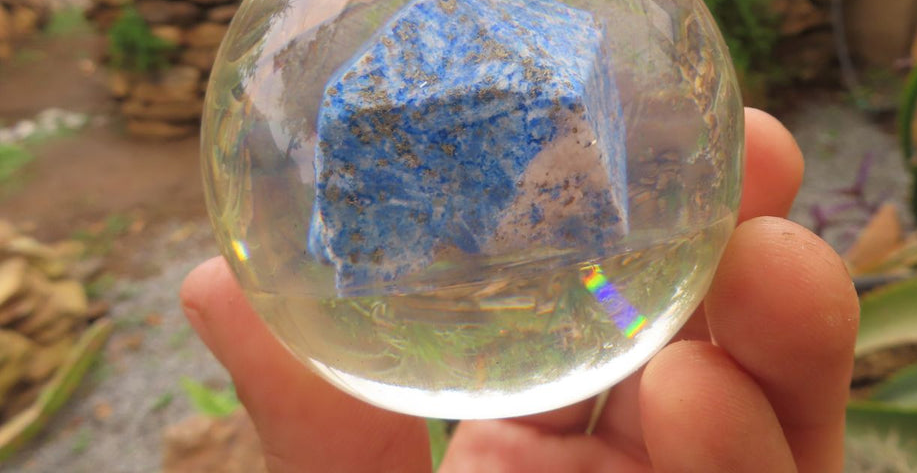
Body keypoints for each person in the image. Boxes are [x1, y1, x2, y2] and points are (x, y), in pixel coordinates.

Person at [181, 108, 859, 472]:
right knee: (629, 322)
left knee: (629, 319)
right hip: (579, 297)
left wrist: (603, 286)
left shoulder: (595, 262)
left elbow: (613, 302)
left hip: (593, 290)